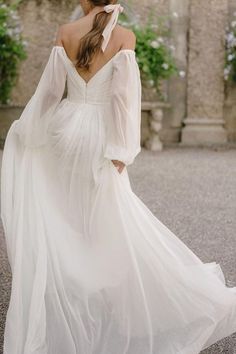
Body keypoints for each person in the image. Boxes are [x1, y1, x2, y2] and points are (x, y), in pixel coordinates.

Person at [1, 1, 236, 353]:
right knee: (107, 213)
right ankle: (106, 287)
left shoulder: (66, 33)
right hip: (98, 136)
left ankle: (76, 283)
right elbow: (122, 99)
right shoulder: (125, 37)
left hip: (65, 130)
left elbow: (50, 91)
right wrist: (121, 150)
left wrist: (29, 128)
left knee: (67, 207)